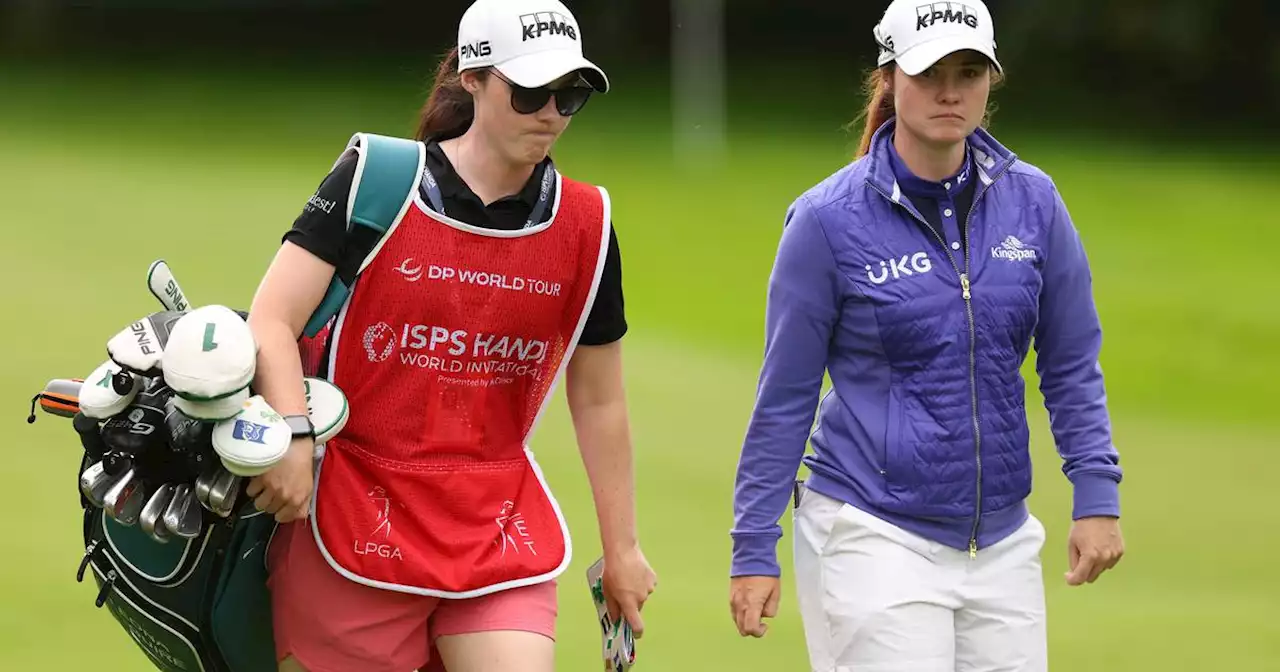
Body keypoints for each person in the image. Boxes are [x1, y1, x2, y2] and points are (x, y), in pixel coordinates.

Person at [240, 1, 657, 670]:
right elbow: (272, 319)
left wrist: (624, 549)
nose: (551, 112)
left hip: (496, 524)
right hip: (351, 513)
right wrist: (291, 433)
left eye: (570, 94)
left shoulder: (588, 224)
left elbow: (600, 400)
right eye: (529, 92)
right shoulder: (376, 179)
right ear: (472, 77)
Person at [727, 0, 1125, 669]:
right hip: (869, 529)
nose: (949, 89)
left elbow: (1071, 361)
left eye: (969, 71)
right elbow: (786, 395)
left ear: (990, 81)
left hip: (1001, 543)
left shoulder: (1035, 203)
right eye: (928, 69)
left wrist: (1097, 495)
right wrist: (752, 544)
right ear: (888, 76)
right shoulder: (826, 221)